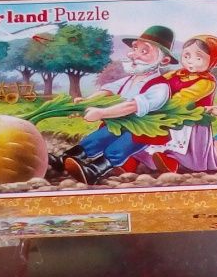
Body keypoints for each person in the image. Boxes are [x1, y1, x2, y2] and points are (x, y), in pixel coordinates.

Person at [52, 25, 176, 185]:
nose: (134, 55)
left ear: (164, 60)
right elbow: (108, 91)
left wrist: (101, 113)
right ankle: (65, 159)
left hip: (144, 130)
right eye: (135, 49)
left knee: (120, 147)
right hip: (120, 122)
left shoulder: (160, 87)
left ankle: (94, 170)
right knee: (98, 137)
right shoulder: (129, 79)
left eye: (144, 51)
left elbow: (132, 106)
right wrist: (87, 102)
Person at [131, 34, 217, 174]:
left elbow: (183, 98)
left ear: (211, 62)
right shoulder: (177, 73)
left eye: (198, 58)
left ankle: (172, 163)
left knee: (178, 145)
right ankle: (133, 161)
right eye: (186, 56)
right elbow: (158, 81)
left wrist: (157, 105)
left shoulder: (206, 82)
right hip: (168, 114)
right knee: (147, 137)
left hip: (190, 120)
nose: (190, 61)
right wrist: (147, 93)